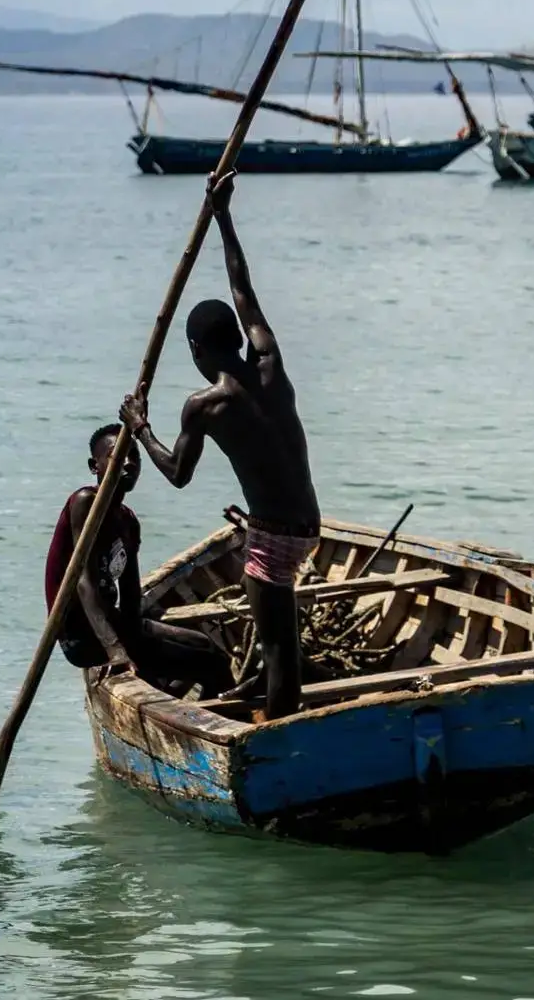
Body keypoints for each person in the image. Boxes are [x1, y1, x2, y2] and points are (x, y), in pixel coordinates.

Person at [121, 172, 320, 723]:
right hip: (309, 523)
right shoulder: (269, 362)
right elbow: (242, 288)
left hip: (274, 544)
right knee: (278, 643)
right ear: (236, 337)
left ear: (194, 348)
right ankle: (269, 707)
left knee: (282, 657)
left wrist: (140, 427)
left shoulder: (204, 405)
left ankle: (281, 736)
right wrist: (223, 216)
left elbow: (177, 473)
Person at [45, 423, 231, 698]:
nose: (130, 463)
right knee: (213, 666)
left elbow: (131, 595)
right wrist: (116, 650)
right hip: (82, 637)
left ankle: (169, 695)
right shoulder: (84, 502)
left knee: (205, 644)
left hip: (117, 624)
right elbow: (85, 583)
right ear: (94, 465)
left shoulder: (128, 521)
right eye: (118, 455)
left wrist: (138, 639)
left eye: (135, 456)